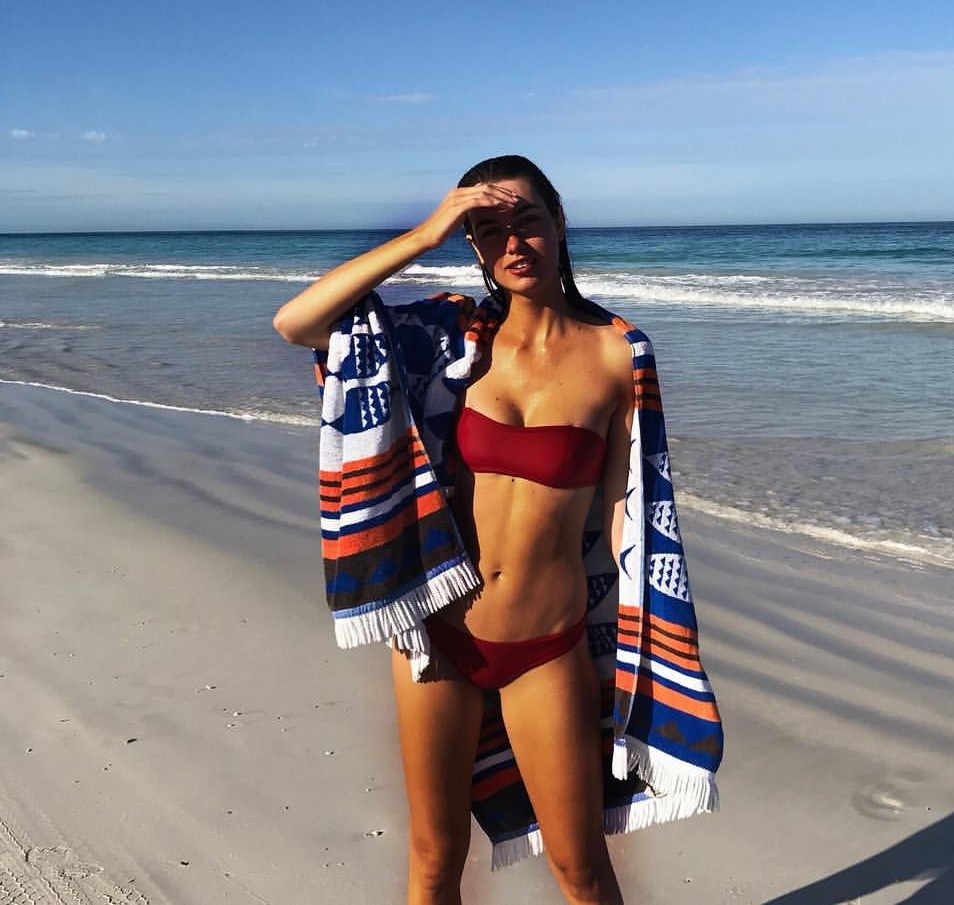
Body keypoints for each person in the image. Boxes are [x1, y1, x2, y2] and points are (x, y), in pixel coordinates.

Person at [273, 155, 720, 905]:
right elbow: (298, 324)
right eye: (487, 230)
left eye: (527, 222)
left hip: (547, 646)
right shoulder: (448, 340)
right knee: (435, 860)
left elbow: (629, 512)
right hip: (440, 637)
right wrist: (427, 234)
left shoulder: (617, 353)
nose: (513, 244)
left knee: (580, 868)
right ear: (472, 244)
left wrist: (649, 640)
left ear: (559, 224)